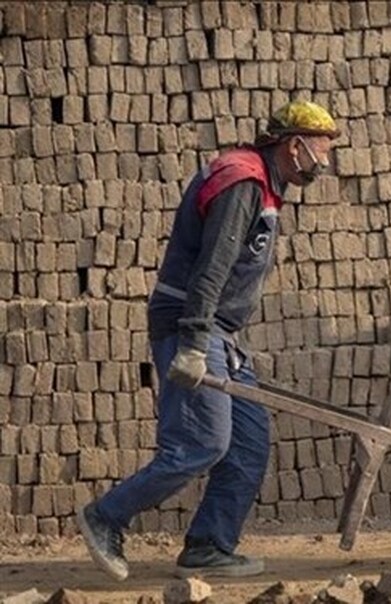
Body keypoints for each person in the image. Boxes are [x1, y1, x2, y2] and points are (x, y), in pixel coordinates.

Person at [76, 101, 340, 580]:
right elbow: (213, 267)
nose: (324, 161)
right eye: (322, 149)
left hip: (222, 332)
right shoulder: (243, 183)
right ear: (294, 145)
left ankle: (208, 545)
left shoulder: (264, 186)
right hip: (191, 323)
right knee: (201, 444)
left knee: (248, 443)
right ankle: (107, 515)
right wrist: (195, 344)